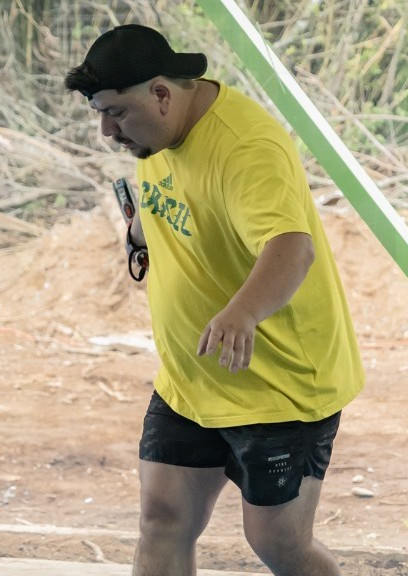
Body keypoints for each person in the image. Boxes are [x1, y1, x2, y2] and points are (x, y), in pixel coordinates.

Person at [65, 24, 365, 576]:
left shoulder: (245, 147)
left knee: (279, 542)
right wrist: (140, 234)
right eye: (99, 114)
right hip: (191, 380)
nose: (107, 131)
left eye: (116, 113)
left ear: (161, 93)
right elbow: (174, 197)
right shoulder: (155, 133)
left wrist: (242, 311)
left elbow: (291, 248)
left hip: (279, 387)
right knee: (162, 519)